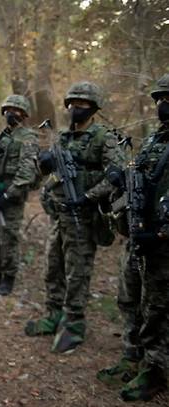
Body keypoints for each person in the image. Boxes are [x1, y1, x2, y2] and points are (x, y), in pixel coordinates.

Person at [25, 81, 124, 354]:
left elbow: (116, 175)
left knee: (77, 273)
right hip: (59, 215)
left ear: (93, 108)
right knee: (53, 268)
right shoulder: (64, 139)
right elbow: (49, 176)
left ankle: (74, 324)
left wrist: (88, 196)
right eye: (72, 104)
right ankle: (53, 314)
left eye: (82, 105)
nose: (75, 109)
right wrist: (44, 165)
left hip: (84, 216)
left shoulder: (104, 137)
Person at [96, 74, 169, 402]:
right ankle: (132, 356)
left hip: (162, 242)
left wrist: (161, 233)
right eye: (158, 99)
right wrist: (121, 179)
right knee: (130, 297)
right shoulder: (156, 140)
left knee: (158, 308)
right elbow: (141, 179)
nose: (162, 105)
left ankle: (156, 371)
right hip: (139, 234)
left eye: (167, 98)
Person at [0, 94, 39, 296]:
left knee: (8, 237)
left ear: (24, 114)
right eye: (9, 110)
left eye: (17, 111)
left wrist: (8, 195)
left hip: (11, 196)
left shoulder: (28, 138)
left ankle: (8, 277)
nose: (12, 113)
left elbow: (27, 172)